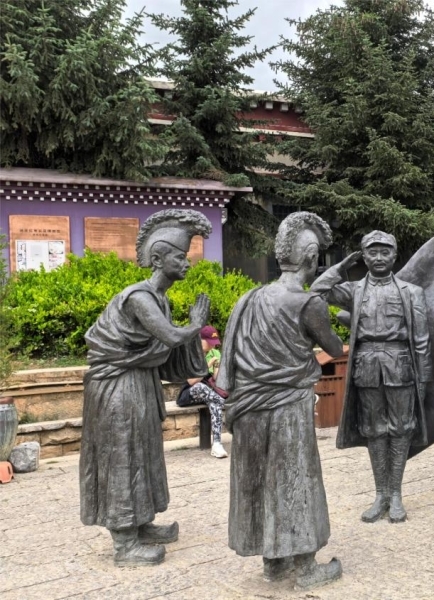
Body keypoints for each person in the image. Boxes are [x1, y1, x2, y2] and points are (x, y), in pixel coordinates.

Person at [219, 211, 345, 590]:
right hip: (288, 404)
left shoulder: (250, 298)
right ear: (310, 258)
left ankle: (273, 562)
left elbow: (230, 358)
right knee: (294, 477)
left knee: (259, 477)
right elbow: (334, 348)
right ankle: (305, 567)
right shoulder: (309, 304)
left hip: (249, 405)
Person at [79, 209, 211, 567]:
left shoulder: (161, 300)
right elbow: (169, 337)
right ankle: (124, 543)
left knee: (143, 454)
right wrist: (195, 325)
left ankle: (141, 523)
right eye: (180, 257)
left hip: (138, 384)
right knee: (123, 456)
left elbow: (163, 350)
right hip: (117, 389)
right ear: (158, 259)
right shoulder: (139, 297)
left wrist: (188, 334)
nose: (187, 264)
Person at [312, 230, 431, 524]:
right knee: (374, 429)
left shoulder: (411, 292)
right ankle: (380, 495)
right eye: (372, 252)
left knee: (401, 428)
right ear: (364, 257)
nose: (379, 258)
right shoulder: (353, 290)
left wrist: (424, 376)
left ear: (395, 255)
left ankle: (396, 494)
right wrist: (340, 268)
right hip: (366, 366)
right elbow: (317, 292)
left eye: (385, 252)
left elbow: (421, 339)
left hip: (400, 365)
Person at [179, 325, 228, 458]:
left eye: (214, 343)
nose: (213, 346)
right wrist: (208, 364)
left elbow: (216, 379)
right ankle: (220, 401)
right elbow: (191, 381)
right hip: (188, 393)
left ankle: (217, 444)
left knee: (215, 403)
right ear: (200, 340)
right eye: (210, 342)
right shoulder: (191, 355)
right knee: (201, 387)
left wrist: (217, 366)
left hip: (208, 392)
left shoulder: (215, 353)